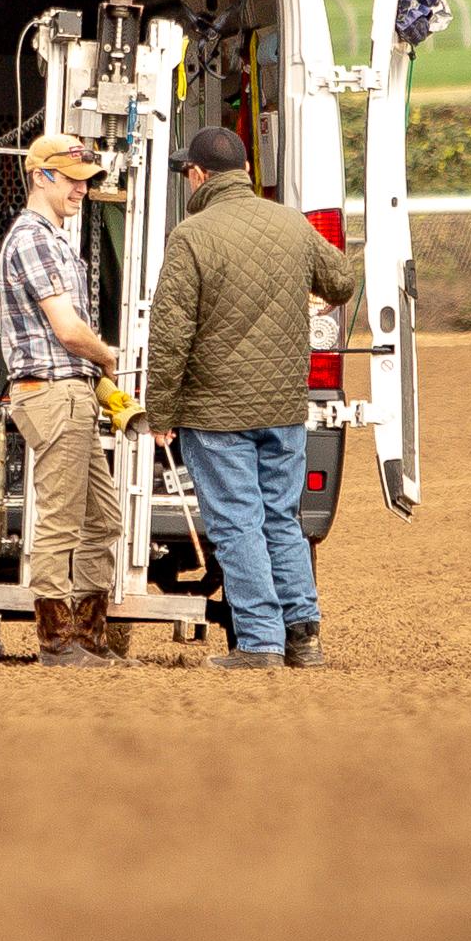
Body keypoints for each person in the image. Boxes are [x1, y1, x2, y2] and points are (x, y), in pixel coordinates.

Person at [144, 124, 358, 670]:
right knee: (281, 520)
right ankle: (303, 637)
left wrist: (161, 410)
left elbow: (171, 334)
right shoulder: (290, 223)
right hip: (284, 408)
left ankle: (260, 642)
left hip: (216, 413)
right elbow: (341, 282)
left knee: (237, 522)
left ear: (198, 174)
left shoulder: (192, 236)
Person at [0, 132, 122, 667]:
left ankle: (88, 637)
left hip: (67, 392)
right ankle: (58, 641)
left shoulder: (50, 237)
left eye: (87, 182)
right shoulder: (36, 239)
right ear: (41, 176)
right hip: (54, 391)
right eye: (74, 181)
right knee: (63, 519)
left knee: (104, 518)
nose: (83, 191)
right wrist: (109, 357)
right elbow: (68, 330)